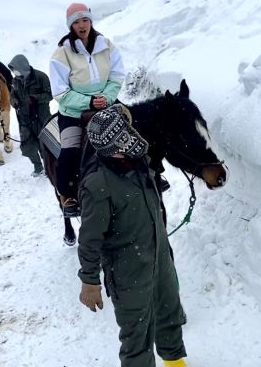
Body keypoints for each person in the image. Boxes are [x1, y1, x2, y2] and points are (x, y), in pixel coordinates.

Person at [78, 105, 188, 367]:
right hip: (128, 269)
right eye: (126, 133)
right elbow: (89, 239)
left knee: (169, 312)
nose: (133, 136)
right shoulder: (98, 185)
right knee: (137, 332)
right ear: (114, 143)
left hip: (159, 257)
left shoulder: (140, 163)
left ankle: (174, 362)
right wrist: (89, 281)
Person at [49, 2, 125, 216]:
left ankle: (153, 175)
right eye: (76, 22)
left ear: (90, 21)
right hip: (74, 113)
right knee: (69, 151)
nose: (82, 25)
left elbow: (117, 76)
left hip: (107, 103)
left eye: (85, 20)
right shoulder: (61, 54)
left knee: (137, 131)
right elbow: (60, 92)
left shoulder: (107, 46)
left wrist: (107, 98)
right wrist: (89, 102)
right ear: (70, 26)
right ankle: (68, 195)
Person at [8, 54, 52, 177]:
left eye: (16, 70)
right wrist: (14, 102)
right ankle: (37, 166)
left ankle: (49, 168)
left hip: (41, 118)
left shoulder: (41, 77)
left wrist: (35, 98)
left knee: (45, 146)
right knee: (27, 146)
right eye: (13, 71)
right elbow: (12, 95)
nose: (14, 73)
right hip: (24, 119)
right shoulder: (15, 80)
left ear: (23, 68)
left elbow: (50, 95)